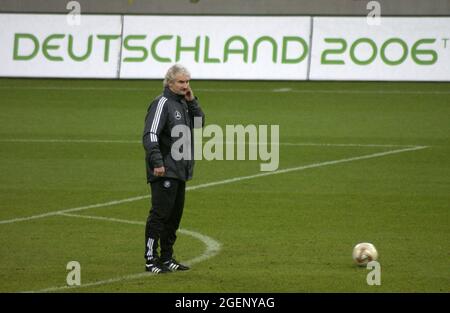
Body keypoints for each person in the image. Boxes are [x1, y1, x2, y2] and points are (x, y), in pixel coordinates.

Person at [142, 64, 205, 274]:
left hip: (180, 170)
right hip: (164, 169)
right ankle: (151, 259)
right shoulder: (161, 104)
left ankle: (167, 257)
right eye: (181, 82)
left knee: (174, 217)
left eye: (187, 82)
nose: (185, 86)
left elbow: (199, 124)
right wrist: (157, 162)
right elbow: (150, 135)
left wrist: (192, 101)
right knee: (160, 215)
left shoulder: (184, 103)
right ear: (169, 82)